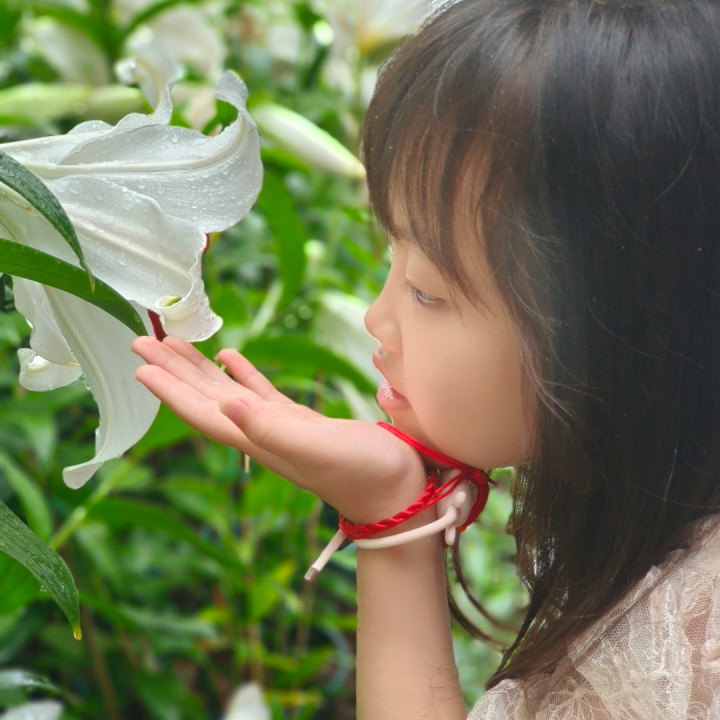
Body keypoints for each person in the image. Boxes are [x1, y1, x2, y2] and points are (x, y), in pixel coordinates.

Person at [131, 0, 720, 716]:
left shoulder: (689, 643)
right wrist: (391, 509)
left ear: (624, 322)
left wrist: (391, 520)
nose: (378, 320)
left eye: (427, 291)